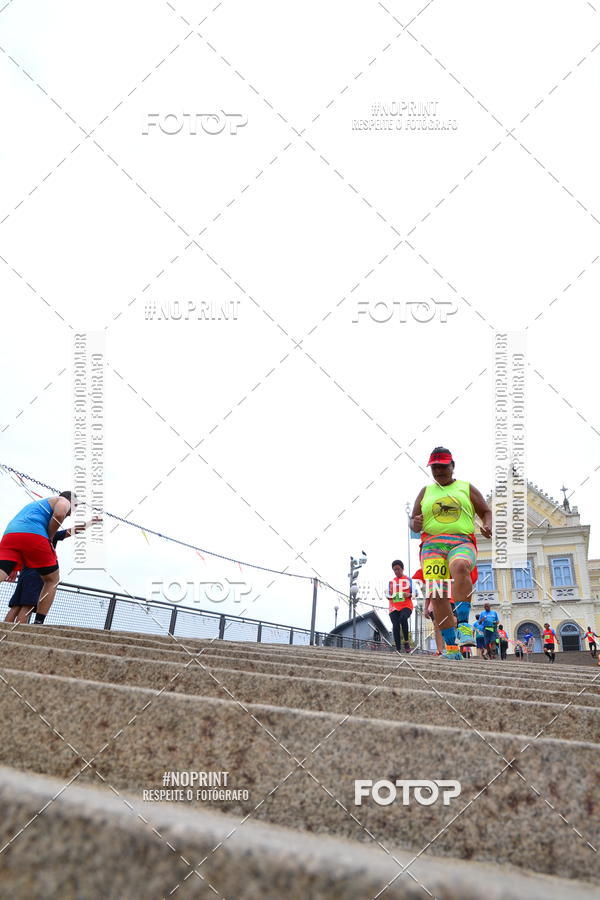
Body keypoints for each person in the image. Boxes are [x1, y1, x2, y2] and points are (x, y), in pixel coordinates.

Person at [410, 447, 492, 661]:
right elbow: (413, 523)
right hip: (431, 545)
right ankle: (451, 649)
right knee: (437, 593)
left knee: (460, 566)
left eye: (443, 466)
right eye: (434, 467)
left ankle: (463, 624)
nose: (438, 470)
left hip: (461, 540)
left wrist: (488, 524)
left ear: (452, 466)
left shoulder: (465, 488)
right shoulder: (425, 491)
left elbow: (485, 510)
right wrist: (414, 523)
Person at [5, 518, 98, 623]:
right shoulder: (49, 536)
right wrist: (91, 522)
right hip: (38, 574)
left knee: (15, 606)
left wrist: (14, 568)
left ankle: (4, 632)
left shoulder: (30, 536)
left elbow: (18, 553)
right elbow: (72, 531)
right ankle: (18, 634)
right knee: (27, 606)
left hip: (24, 574)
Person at [0, 492, 76, 623]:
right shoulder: (64, 500)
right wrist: (50, 536)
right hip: (34, 538)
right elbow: (60, 513)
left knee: (2, 574)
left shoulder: (38, 505)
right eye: (74, 508)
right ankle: (38, 622)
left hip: (10, 533)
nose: (71, 513)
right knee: (52, 580)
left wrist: (14, 566)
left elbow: (23, 543)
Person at [387, 560, 413, 653]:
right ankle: (398, 648)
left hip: (406, 606)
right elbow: (388, 595)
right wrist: (388, 595)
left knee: (403, 618)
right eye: (394, 570)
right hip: (393, 606)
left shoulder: (408, 580)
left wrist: (408, 594)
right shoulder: (391, 582)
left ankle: (406, 642)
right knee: (395, 624)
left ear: (402, 569)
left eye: (398, 569)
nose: (396, 571)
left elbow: (416, 593)